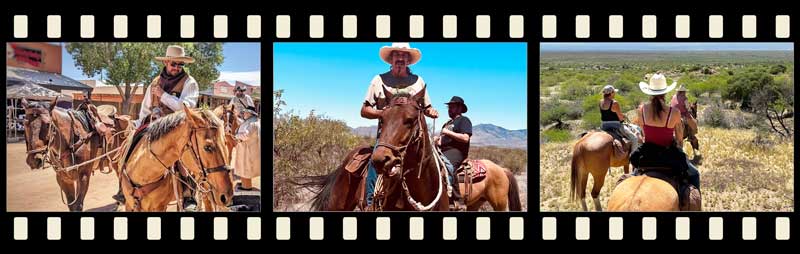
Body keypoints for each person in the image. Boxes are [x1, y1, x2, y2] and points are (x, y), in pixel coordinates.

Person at [120, 45, 202, 211]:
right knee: (129, 146)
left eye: (180, 64)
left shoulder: (189, 82)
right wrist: (136, 125)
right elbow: (145, 108)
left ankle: (188, 194)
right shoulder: (155, 82)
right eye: (174, 64)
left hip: (177, 127)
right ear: (165, 61)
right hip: (153, 125)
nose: (177, 67)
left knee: (183, 155)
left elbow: (185, 108)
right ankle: (122, 187)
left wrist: (163, 95)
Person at [361, 42, 438, 208]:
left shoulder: (418, 81)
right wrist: (384, 114)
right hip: (388, 136)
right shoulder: (378, 80)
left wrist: (431, 111)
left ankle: (446, 195)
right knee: (376, 161)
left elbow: (427, 106)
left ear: (409, 60)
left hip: (415, 138)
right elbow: (364, 110)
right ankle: (370, 203)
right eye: (397, 55)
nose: (400, 58)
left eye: (404, 56)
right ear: (391, 59)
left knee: (438, 161)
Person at [631, 73, 700, 189]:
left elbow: (643, 133)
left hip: (646, 154)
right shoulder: (674, 112)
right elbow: (679, 138)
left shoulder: (641, 110)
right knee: (694, 175)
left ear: (649, 92)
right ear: (665, 92)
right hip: (668, 153)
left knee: (632, 173)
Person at [434, 96, 472, 211]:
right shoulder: (446, 124)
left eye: (453, 106)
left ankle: (456, 200)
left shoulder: (464, 120)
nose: (450, 109)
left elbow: (465, 138)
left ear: (460, 108)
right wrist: (436, 140)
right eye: (449, 107)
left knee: (446, 166)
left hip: (457, 151)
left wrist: (448, 133)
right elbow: (442, 140)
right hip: (443, 150)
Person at [599, 85, 638, 154]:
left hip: (604, 126)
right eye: (614, 92)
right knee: (634, 138)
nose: (615, 94)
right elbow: (620, 118)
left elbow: (608, 114)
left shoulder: (601, 102)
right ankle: (632, 157)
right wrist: (623, 117)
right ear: (611, 93)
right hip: (616, 126)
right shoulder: (614, 103)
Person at [234, 105, 261, 191]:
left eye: (245, 112)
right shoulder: (252, 121)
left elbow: (246, 135)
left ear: (249, 113)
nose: (244, 113)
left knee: (246, 169)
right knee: (245, 169)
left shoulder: (252, 123)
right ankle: (245, 184)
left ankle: (246, 187)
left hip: (247, 150)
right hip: (247, 149)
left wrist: (236, 136)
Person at [670, 84, 699, 150]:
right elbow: (688, 108)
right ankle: (691, 136)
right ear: (683, 92)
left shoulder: (673, 97)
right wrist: (688, 108)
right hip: (681, 115)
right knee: (693, 123)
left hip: (672, 115)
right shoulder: (684, 98)